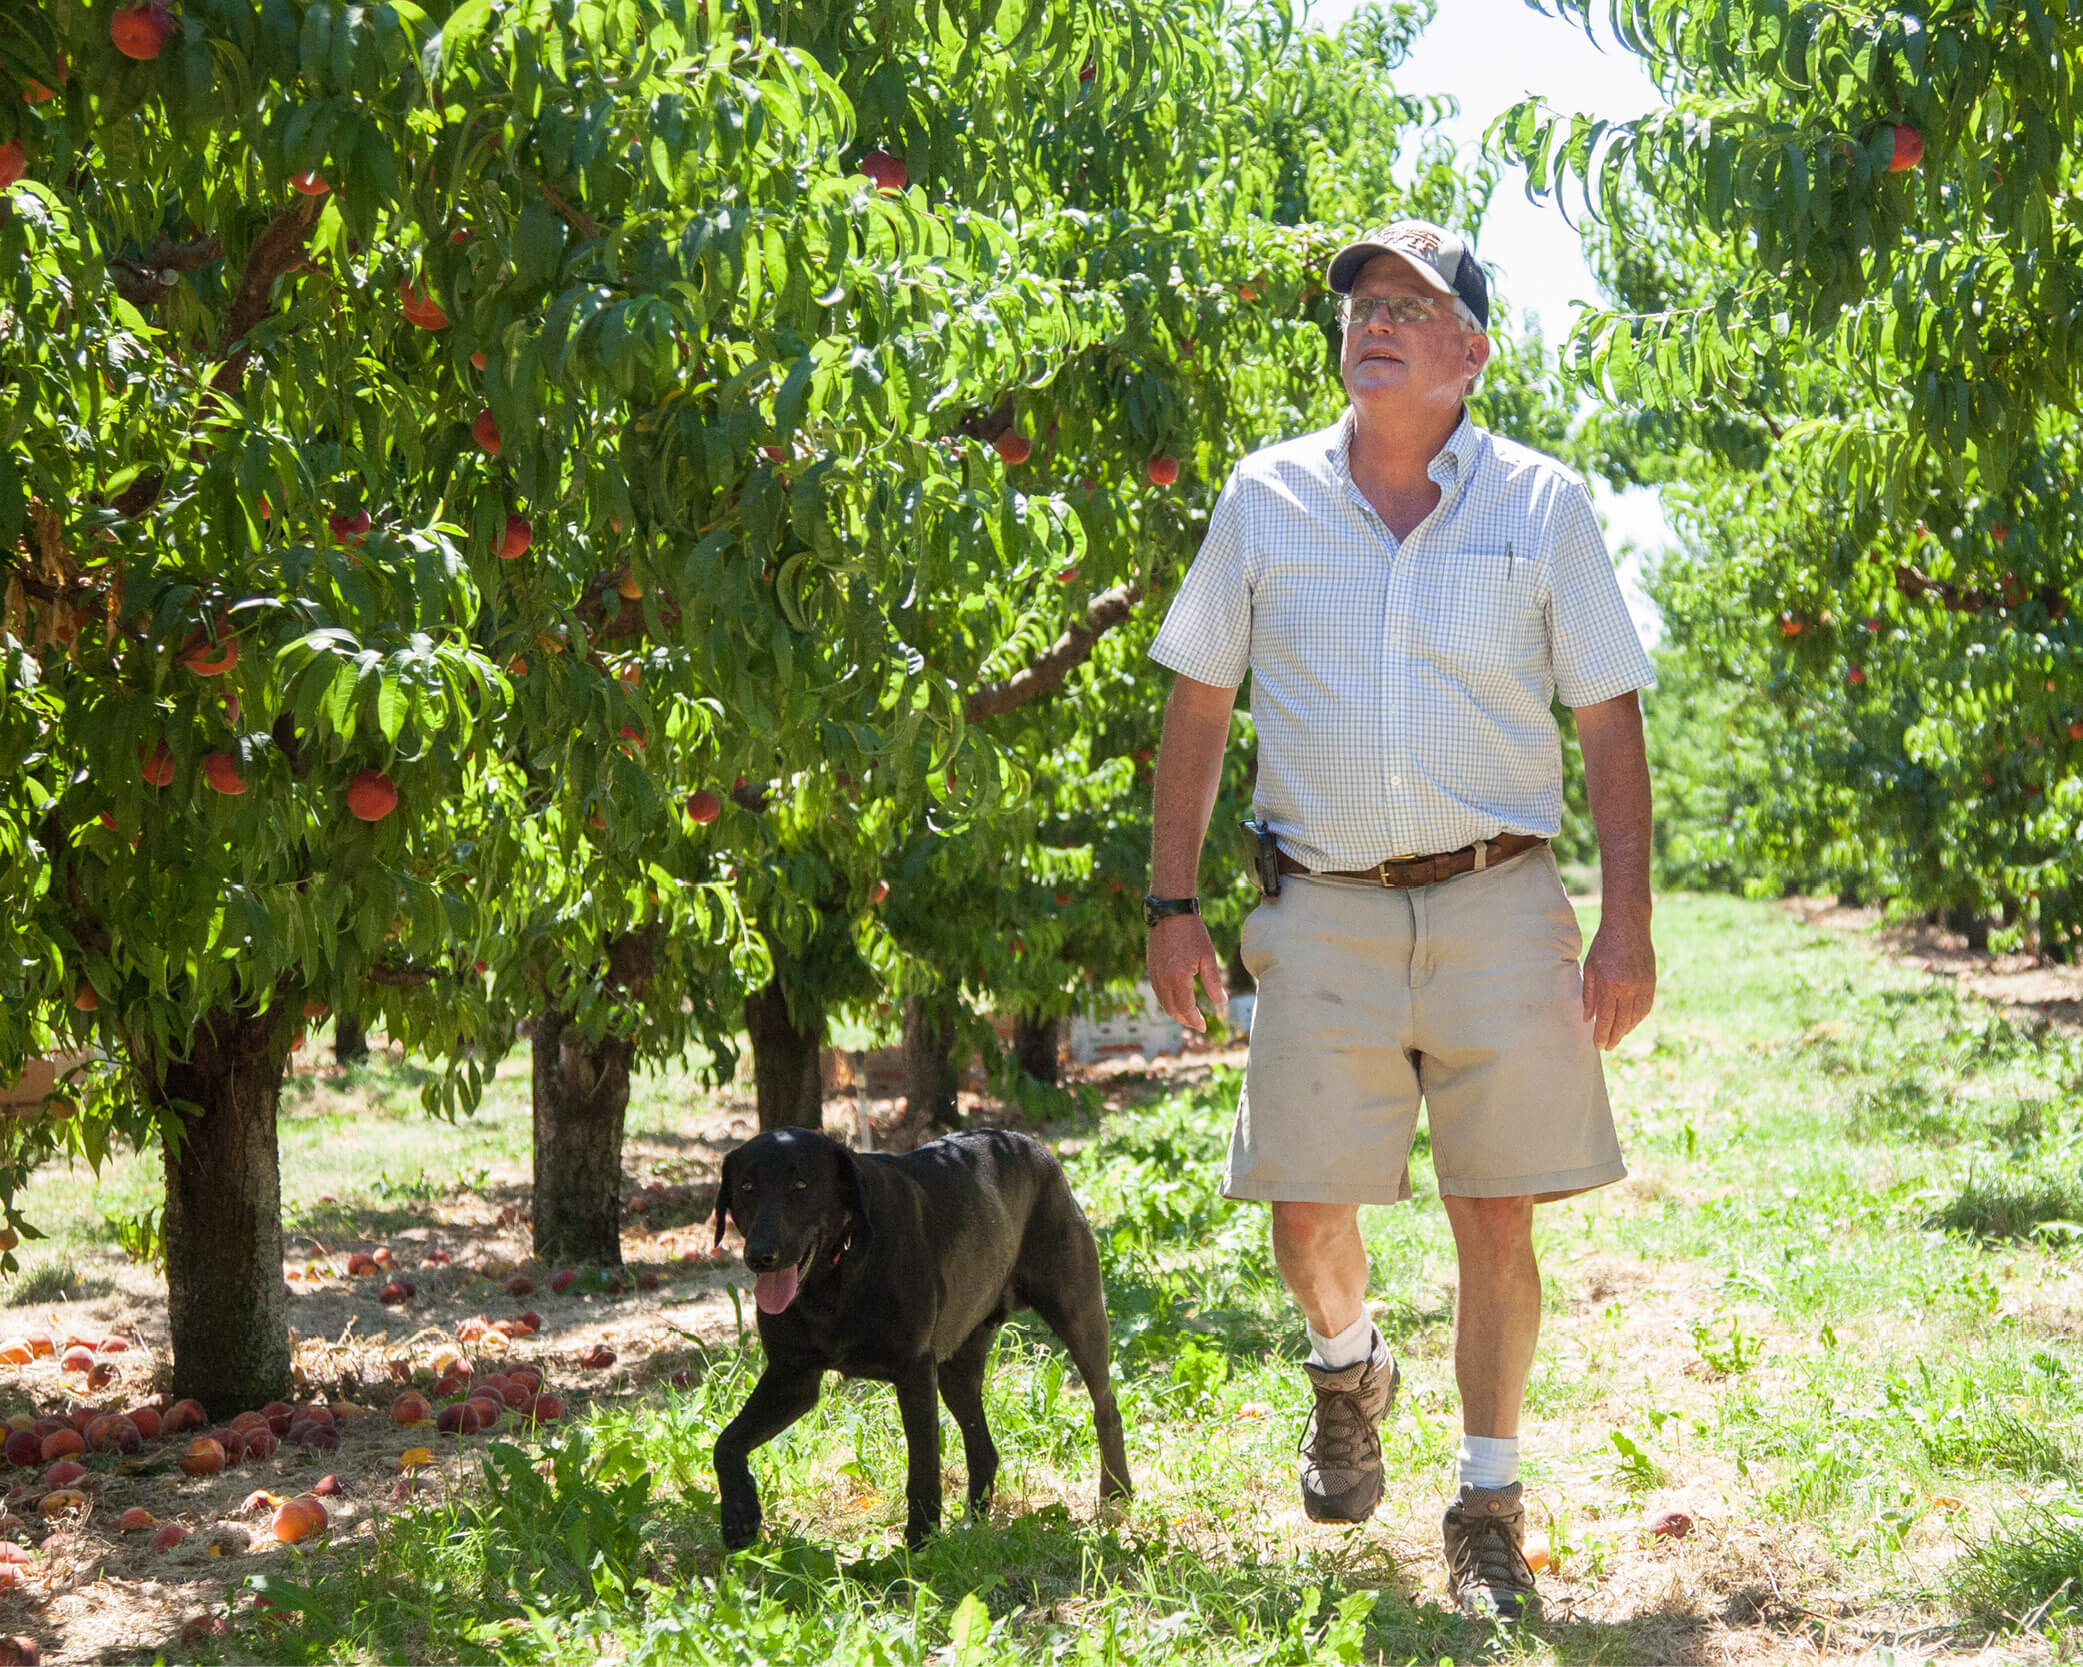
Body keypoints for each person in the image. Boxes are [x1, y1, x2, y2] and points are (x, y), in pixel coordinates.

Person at [1140, 219, 1657, 1622]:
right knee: (1303, 1207)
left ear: (1472, 352)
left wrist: (1627, 924)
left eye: (1410, 303)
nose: (1372, 317)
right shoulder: (1265, 496)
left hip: (1499, 899)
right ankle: (1350, 1361)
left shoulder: (1540, 506)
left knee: (1497, 1211)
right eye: (1361, 299)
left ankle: (1489, 1503)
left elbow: (1608, 717)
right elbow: (1200, 696)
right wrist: (1172, 904)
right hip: (1325, 905)